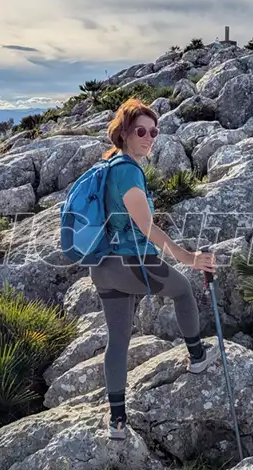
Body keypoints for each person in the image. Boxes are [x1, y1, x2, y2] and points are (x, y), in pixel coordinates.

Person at [90, 97, 218, 440]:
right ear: (124, 134)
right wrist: (186, 257)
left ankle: (117, 421)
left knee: (118, 339)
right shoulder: (129, 171)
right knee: (183, 290)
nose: (149, 137)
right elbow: (145, 225)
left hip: (103, 266)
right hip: (132, 262)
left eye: (154, 131)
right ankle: (198, 357)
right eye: (141, 131)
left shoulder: (109, 166)